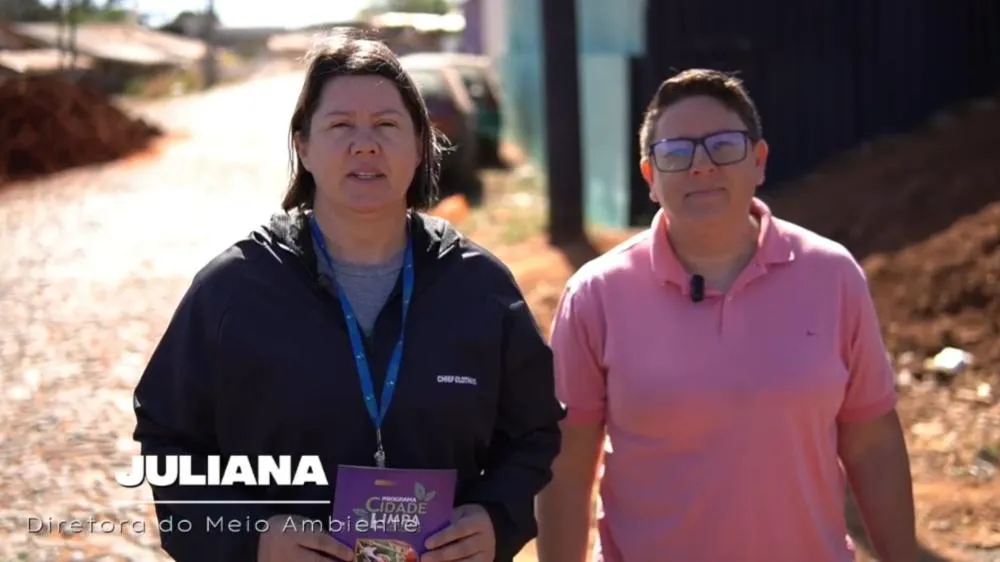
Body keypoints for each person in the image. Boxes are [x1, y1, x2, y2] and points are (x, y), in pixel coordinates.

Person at [130, 32, 563, 562]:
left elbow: (535, 433)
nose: (366, 144)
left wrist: (499, 517)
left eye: (387, 124)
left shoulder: (481, 288)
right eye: (340, 126)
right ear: (304, 147)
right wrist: (251, 539)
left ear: (421, 144)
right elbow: (168, 441)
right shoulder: (234, 289)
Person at [535, 69, 917, 562]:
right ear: (650, 177)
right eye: (676, 152)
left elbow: (872, 442)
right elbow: (567, 466)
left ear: (758, 161)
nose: (701, 166)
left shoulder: (832, 275)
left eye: (724, 145)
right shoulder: (595, 294)